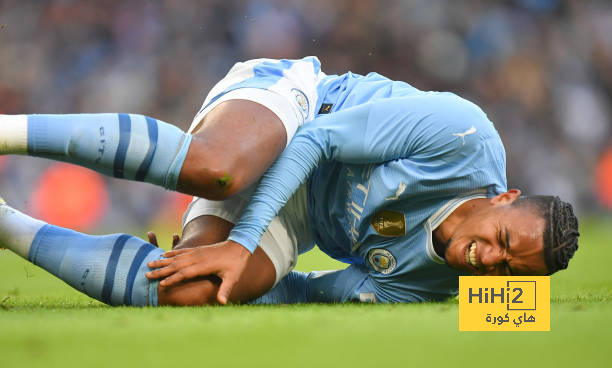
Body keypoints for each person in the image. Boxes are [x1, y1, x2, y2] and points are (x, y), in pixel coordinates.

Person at [0, 57, 579, 306]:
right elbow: (314, 143)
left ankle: (4, 224)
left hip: (292, 215)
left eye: (505, 270)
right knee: (218, 170)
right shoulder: (465, 138)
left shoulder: (430, 286)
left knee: (193, 290)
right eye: (503, 240)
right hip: (296, 110)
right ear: (503, 197)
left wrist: (222, 266)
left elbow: (303, 290)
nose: (487, 260)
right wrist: (241, 243)